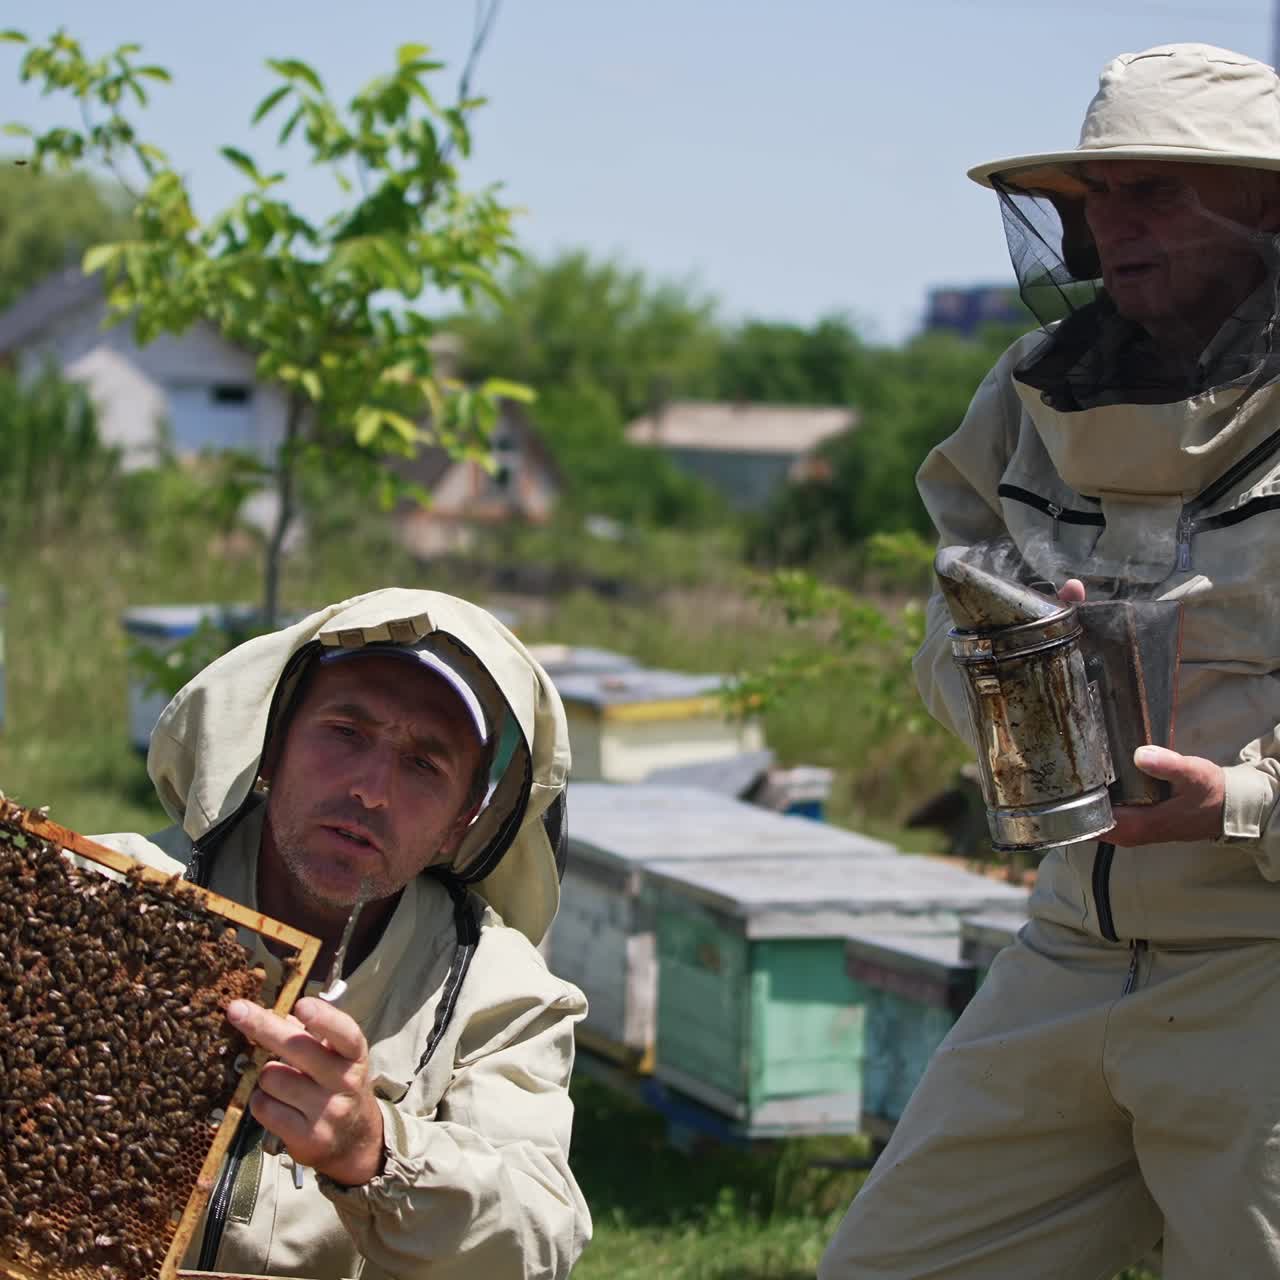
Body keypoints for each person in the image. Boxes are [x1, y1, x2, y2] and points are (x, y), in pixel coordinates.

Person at [820, 43, 1280, 1279]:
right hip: (1070, 940)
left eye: (1152, 192)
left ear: (1265, 204)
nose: (1112, 226)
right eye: (1095, 198)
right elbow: (951, 602)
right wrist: (1012, 691)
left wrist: (1237, 802)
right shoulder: (1027, 392)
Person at [96, 588, 591, 1280]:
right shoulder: (111, 895)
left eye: (424, 763)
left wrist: (376, 1148)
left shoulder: (502, 998)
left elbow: (540, 1236)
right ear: (272, 748)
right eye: (346, 733)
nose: (371, 791)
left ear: (462, 821)